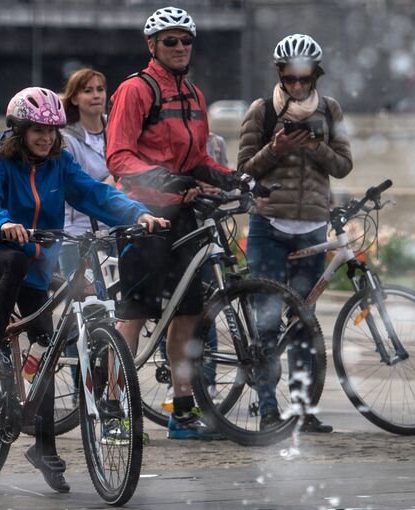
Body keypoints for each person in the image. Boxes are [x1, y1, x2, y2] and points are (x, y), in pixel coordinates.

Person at [0, 87, 167, 492]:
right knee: (19, 258)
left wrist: (139, 213)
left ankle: (44, 448)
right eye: (38, 130)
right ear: (20, 129)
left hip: (39, 264)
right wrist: (4, 223)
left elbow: (95, 192)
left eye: (53, 131)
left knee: (46, 347)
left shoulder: (59, 163)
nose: (46, 138)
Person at [107, 6, 241, 440]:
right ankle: (115, 409)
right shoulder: (137, 90)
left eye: (186, 40)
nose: (181, 47)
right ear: (152, 46)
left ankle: (182, 412)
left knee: (187, 314)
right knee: (134, 313)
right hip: (144, 217)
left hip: (185, 214)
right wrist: (165, 179)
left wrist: (238, 178)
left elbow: (199, 159)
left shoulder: (195, 95)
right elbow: (119, 157)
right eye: (171, 40)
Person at [237, 34, 353, 433]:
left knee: (303, 322)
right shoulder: (261, 111)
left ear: (315, 75)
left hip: (312, 229)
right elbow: (243, 171)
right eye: (290, 79)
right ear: (280, 75)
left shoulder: (331, 109)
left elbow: (343, 166)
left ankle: (301, 409)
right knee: (267, 322)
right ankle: (268, 409)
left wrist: (317, 146)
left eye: (304, 79)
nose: (298, 86)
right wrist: (277, 147)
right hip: (269, 227)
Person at [58, 68, 114, 276]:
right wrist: (113, 178)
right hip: (77, 233)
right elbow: (74, 186)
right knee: (84, 304)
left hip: (115, 228)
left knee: (116, 304)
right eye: (88, 91)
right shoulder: (65, 137)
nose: (96, 95)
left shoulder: (117, 127)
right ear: (74, 98)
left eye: (100, 89)